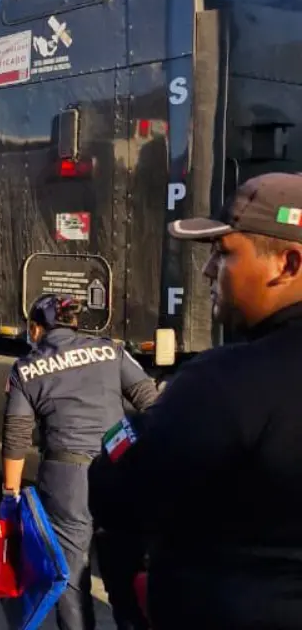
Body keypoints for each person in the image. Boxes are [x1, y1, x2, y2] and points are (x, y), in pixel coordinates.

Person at [94, 172, 302, 629]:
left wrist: (135, 428)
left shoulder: (223, 383)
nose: (208, 270)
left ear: (288, 264)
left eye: (224, 254)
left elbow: (114, 488)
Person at [1, 294, 160, 630]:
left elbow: (16, 435)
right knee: (126, 568)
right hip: (118, 466)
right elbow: (151, 402)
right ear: (74, 323)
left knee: (71, 577)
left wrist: (10, 494)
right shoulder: (111, 350)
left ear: (35, 327)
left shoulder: (26, 369)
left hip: (66, 479)